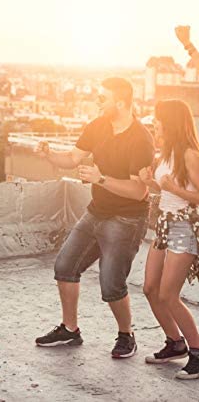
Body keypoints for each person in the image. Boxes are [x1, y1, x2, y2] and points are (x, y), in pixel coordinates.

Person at [35, 77, 155, 358]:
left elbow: (139, 191)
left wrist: (101, 178)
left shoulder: (141, 138)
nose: (98, 102)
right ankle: (70, 329)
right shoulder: (97, 125)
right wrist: (49, 153)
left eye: (104, 98)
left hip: (127, 218)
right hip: (96, 212)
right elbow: (73, 158)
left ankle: (127, 336)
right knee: (65, 266)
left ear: (121, 102)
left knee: (111, 283)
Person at [140, 99, 199, 379]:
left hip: (183, 228)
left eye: (159, 118)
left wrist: (172, 187)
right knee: (151, 288)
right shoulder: (165, 153)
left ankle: (198, 354)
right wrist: (150, 182)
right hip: (163, 225)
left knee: (169, 295)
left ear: (172, 120)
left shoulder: (189, 154)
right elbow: (165, 191)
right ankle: (175, 344)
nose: (155, 122)